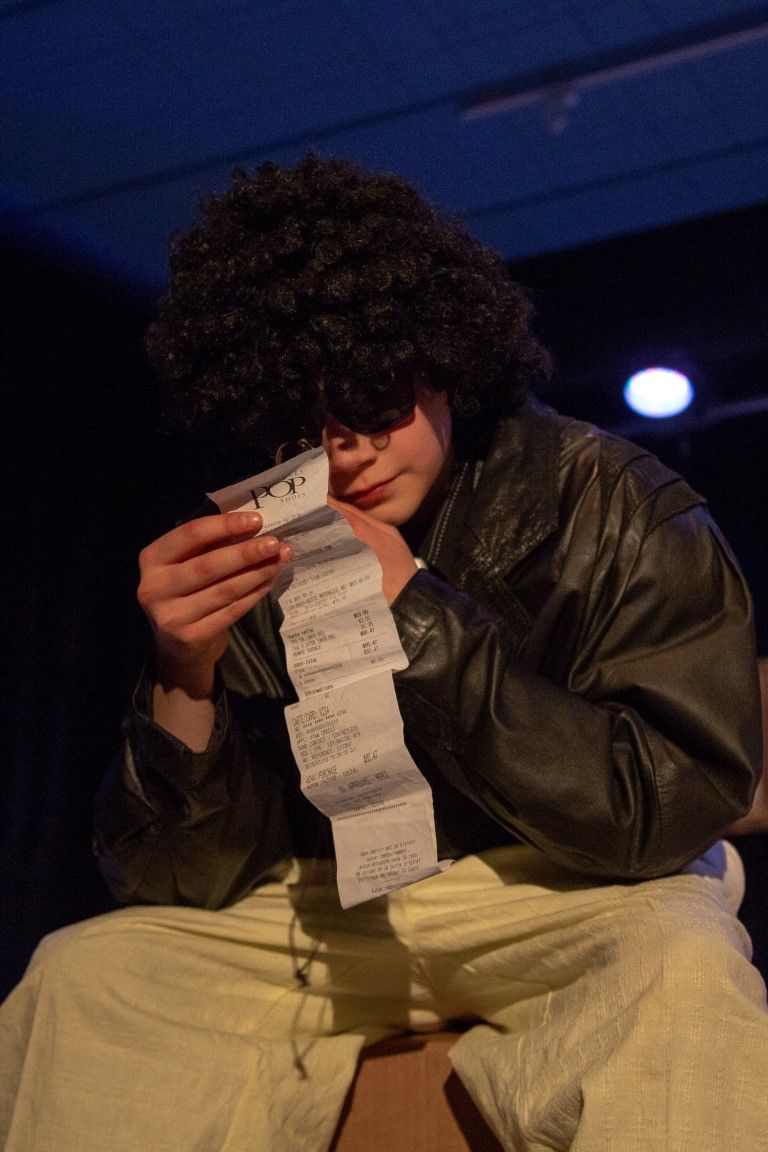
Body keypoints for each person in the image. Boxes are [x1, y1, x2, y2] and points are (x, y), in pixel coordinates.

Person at [1, 154, 766, 1152]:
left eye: (372, 399)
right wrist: (183, 676)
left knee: (685, 962)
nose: (345, 449)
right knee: (83, 976)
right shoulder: (268, 536)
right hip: (342, 912)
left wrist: (413, 611)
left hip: (575, 894)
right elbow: (183, 883)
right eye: (302, 421)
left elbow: (667, 811)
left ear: (445, 363)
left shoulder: (615, 504)